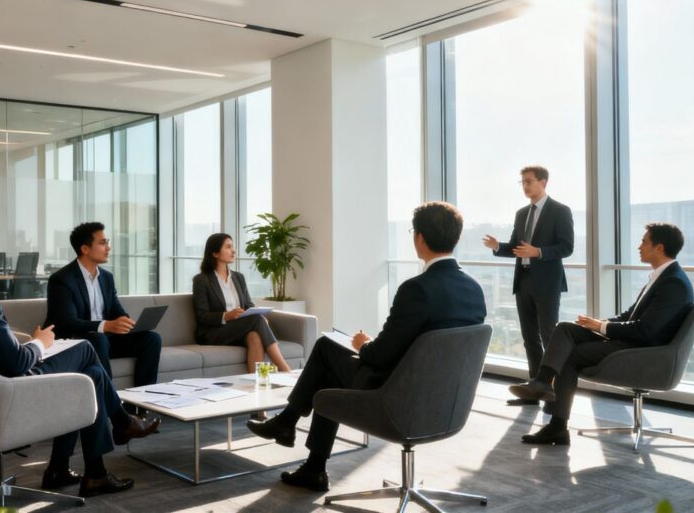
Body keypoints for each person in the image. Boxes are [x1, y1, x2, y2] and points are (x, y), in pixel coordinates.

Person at [0, 210, 159, 498]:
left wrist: (27, 343)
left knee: (89, 376)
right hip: (2, 394)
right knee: (86, 351)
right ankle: (122, 422)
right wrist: (40, 342)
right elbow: (17, 362)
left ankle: (71, 470)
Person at [245, 202, 486, 491]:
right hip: (446, 402)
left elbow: (380, 356)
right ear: (456, 238)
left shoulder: (416, 289)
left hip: (397, 396)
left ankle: (289, 425)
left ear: (419, 238)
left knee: (325, 349)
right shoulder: (474, 289)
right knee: (328, 373)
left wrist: (363, 343)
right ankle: (305, 455)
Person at [509, 223, 694, 445]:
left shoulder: (674, 283)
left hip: (644, 351)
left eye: (644, 241)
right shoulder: (662, 277)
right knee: (566, 328)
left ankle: (557, 425)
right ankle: (542, 381)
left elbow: (645, 331)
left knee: (571, 355)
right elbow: (630, 315)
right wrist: (599, 323)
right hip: (631, 341)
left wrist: (602, 328)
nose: (639, 246)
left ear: (659, 247)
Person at [482, 165, 573, 408]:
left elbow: (567, 247)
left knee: (548, 336)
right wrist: (496, 247)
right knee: (529, 338)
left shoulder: (560, 211)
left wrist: (539, 252)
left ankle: (554, 394)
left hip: (546, 283)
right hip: (523, 281)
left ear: (543, 182)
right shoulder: (522, 213)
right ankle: (533, 390)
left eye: (529, 181)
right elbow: (515, 247)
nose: (525, 186)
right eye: (522, 182)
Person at [45, 222, 162, 389]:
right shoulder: (62, 279)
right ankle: (111, 406)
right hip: (75, 340)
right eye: (103, 243)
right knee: (99, 339)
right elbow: (67, 322)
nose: (108, 248)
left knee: (151, 339)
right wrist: (106, 325)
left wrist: (125, 322)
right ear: (85, 249)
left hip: (103, 341)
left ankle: (143, 401)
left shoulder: (106, 277)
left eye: (107, 242)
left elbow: (116, 309)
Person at [192, 233, 292, 375]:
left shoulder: (239, 277)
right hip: (213, 332)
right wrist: (227, 316)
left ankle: (256, 385)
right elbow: (202, 315)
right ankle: (285, 369)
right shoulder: (201, 280)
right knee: (256, 321)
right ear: (215, 253)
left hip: (239, 328)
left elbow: (248, 305)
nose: (233, 250)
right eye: (228, 247)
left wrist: (259, 315)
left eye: (233, 246)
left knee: (254, 337)